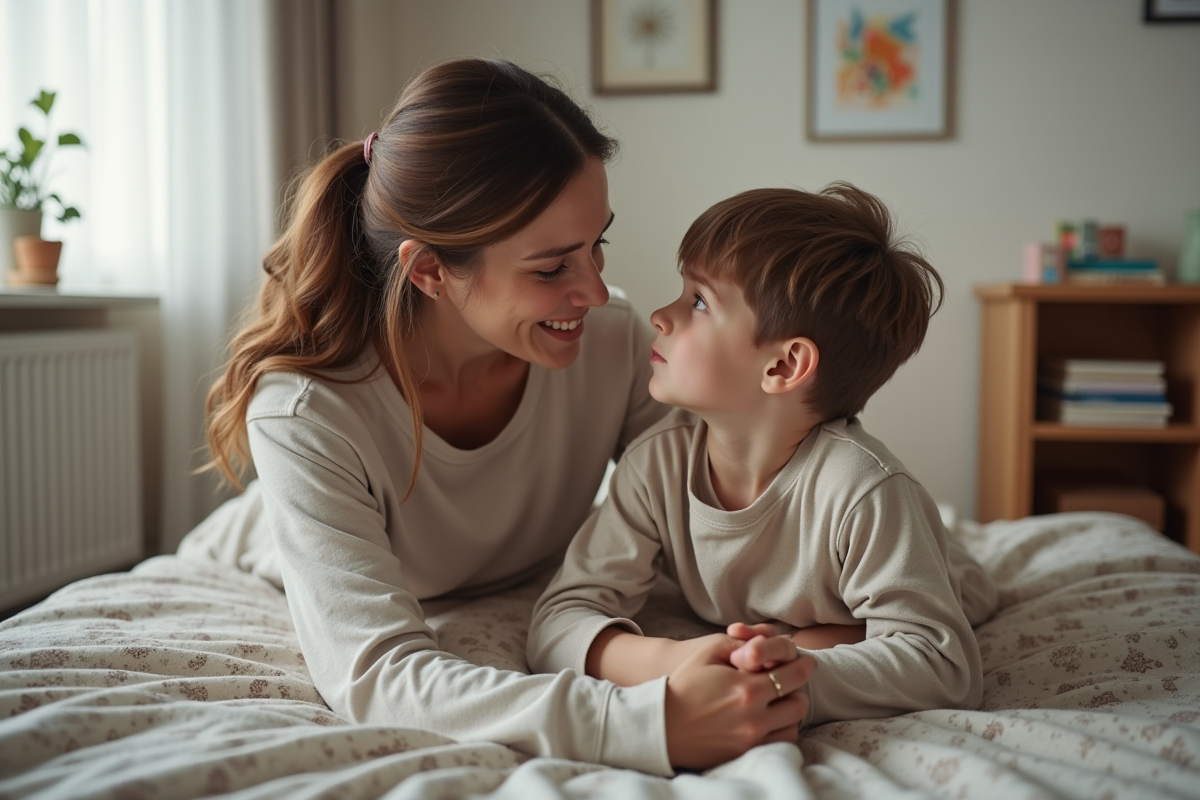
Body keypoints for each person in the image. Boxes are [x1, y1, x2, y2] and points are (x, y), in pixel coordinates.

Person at [191, 58, 817, 776]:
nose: (593, 288)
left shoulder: (609, 341)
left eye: (596, 245)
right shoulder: (309, 414)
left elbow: (714, 506)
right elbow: (375, 674)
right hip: (271, 547)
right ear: (428, 271)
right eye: (551, 268)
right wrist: (647, 723)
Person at [527, 185, 999, 729]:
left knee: (935, 592)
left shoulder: (866, 492)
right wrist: (673, 663)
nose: (659, 315)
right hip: (786, 611)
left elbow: (944, 664)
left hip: (944, 577)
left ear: (783, 366)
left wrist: (789, 674)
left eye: (699, 301)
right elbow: (561, 618)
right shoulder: (654, 465)